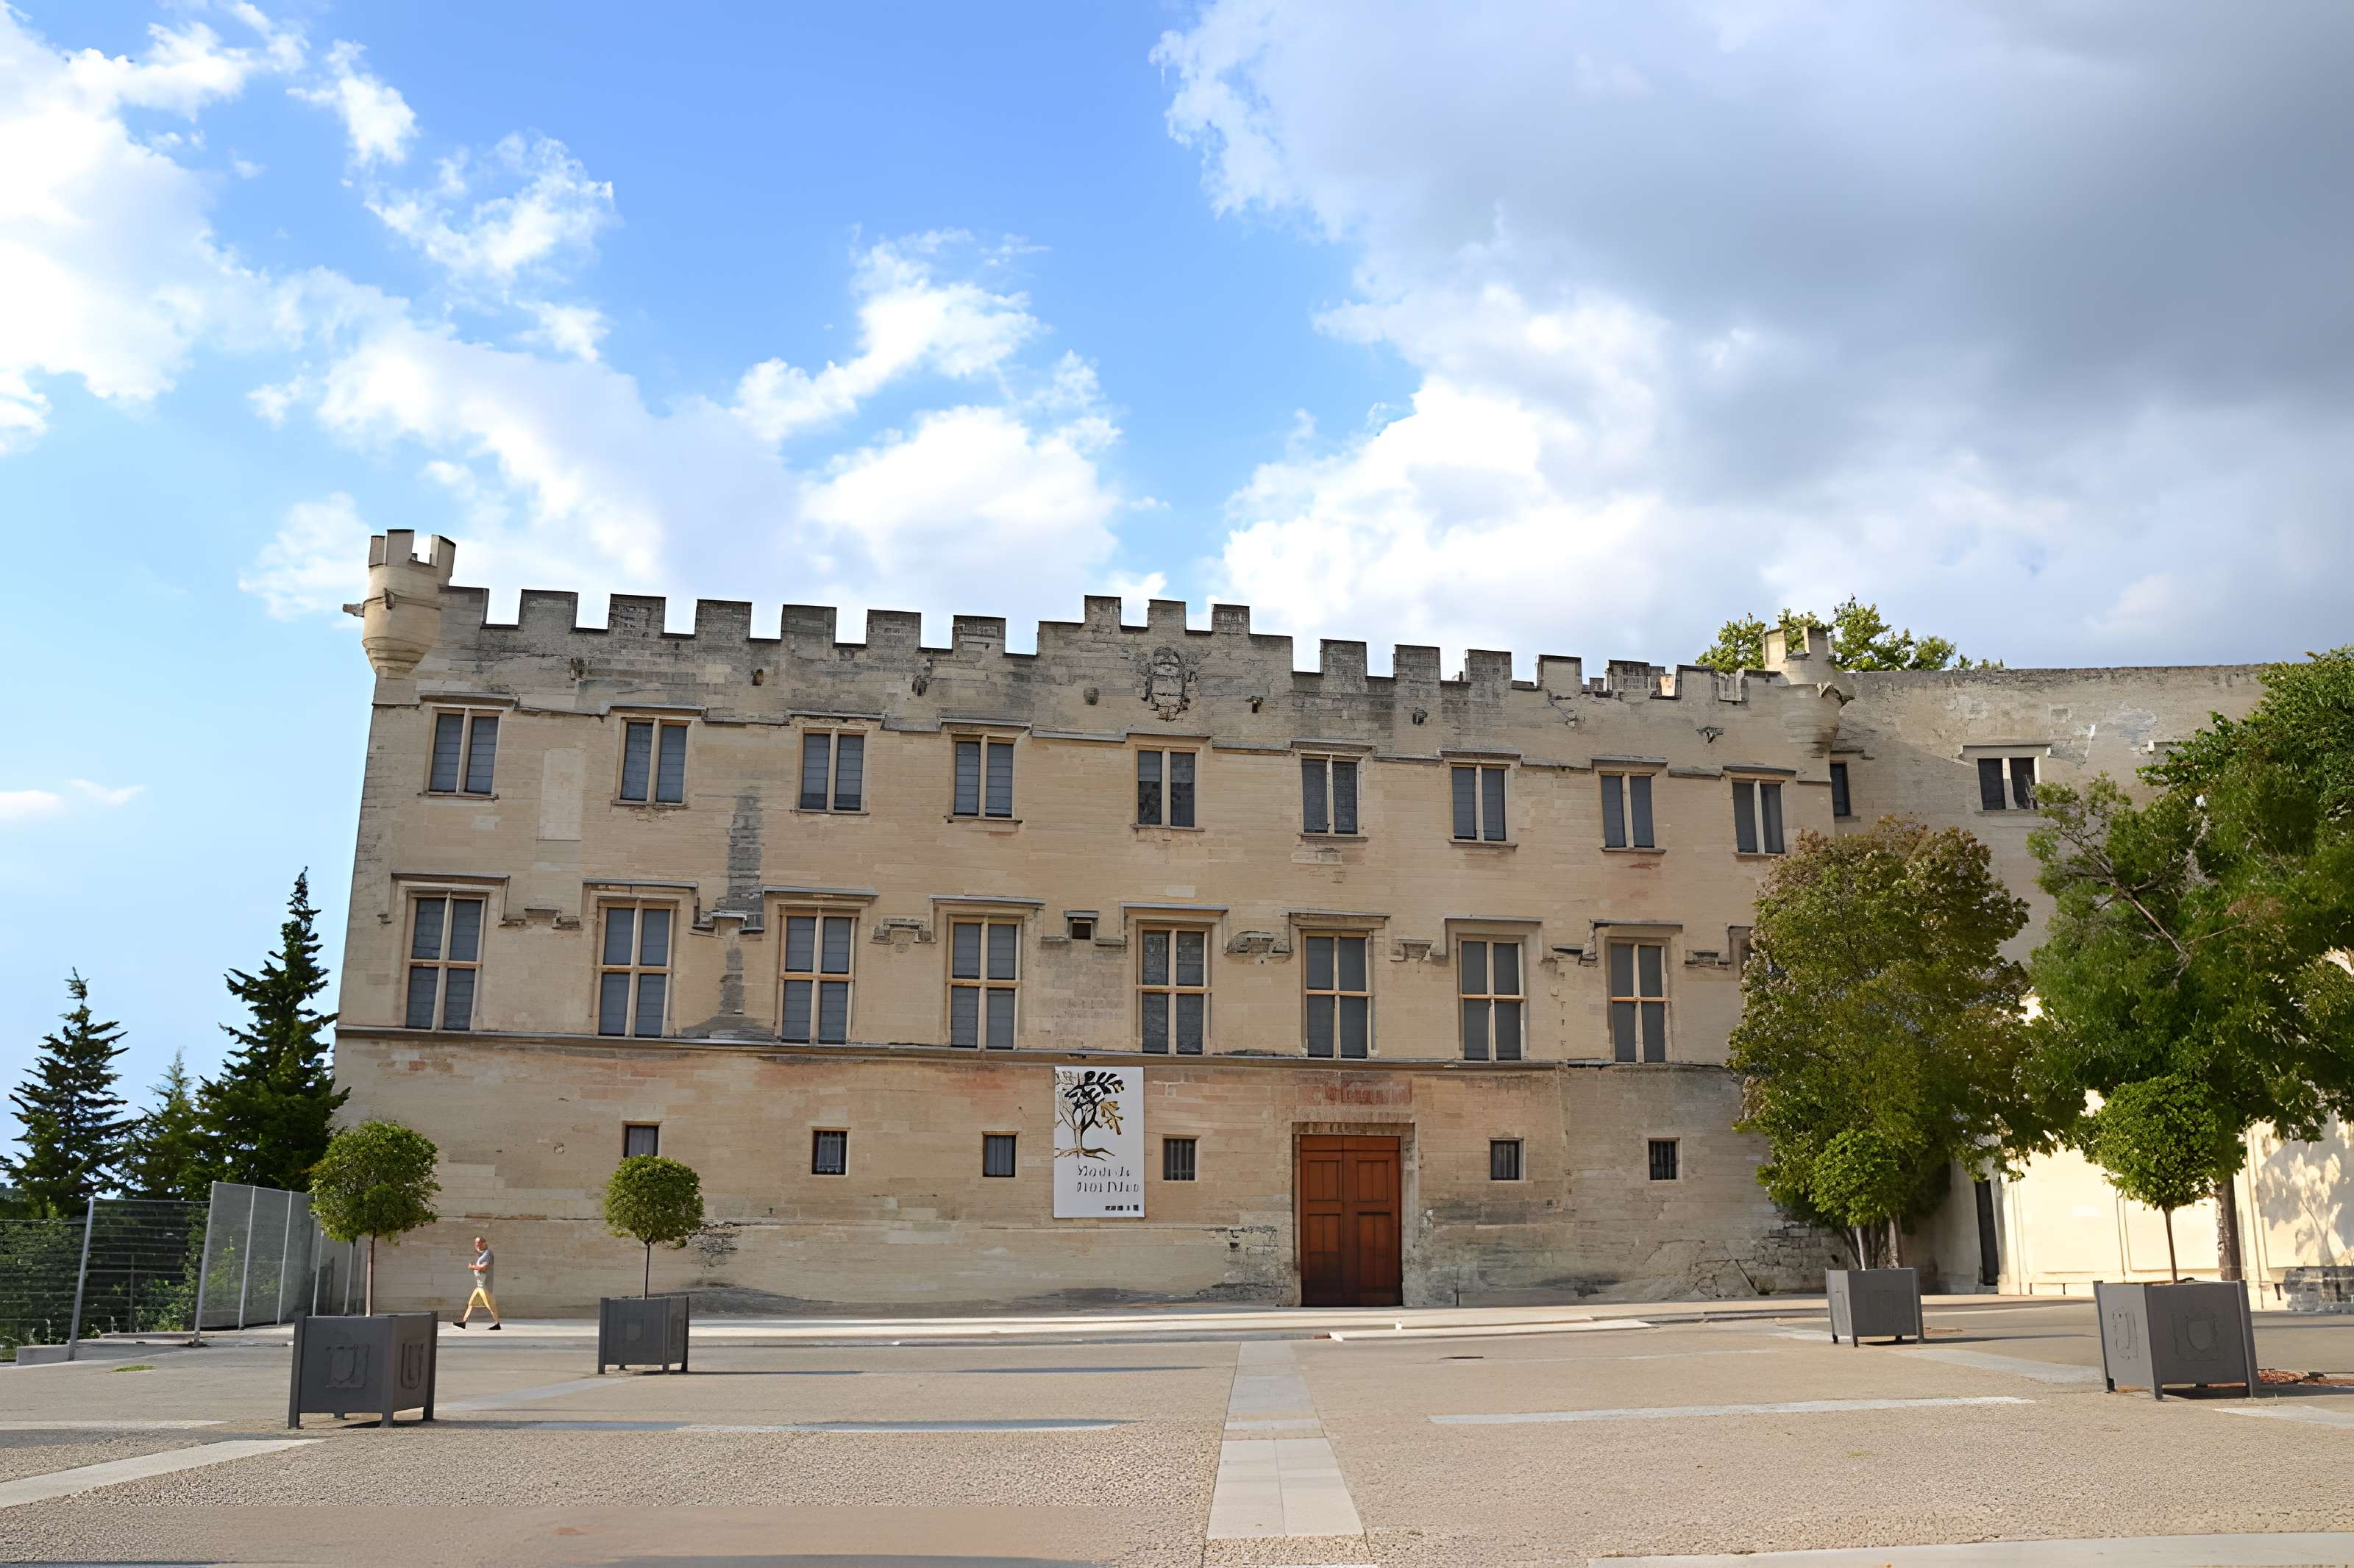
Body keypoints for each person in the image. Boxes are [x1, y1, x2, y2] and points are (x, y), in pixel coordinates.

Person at [455, 1234, 502, 1329]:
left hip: (485, 1286)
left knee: (491, 1306)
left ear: (484, 1243)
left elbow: (484, 1268)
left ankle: (497, 1324)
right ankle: (463, 1322)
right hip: (480, 1286)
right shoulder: (484, 1254)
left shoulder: (488, 1253)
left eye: (478, 1243)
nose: (476, 1244)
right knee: (471, 1304)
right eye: (475, 1243)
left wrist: (472, 1267)